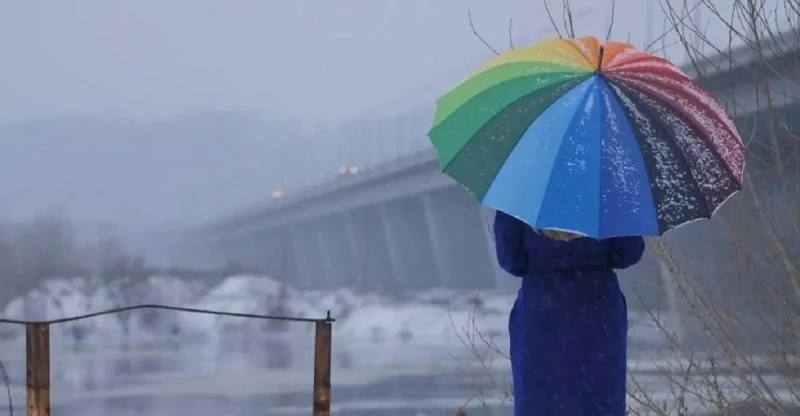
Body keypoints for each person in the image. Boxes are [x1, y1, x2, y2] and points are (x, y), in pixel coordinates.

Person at [494, 210, 645, 416]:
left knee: (541, 402)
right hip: (597, 314)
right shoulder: (607, 188)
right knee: (598, 401)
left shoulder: (520, 190)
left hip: (541, 311)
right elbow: (628, 252)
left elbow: (511, 258)